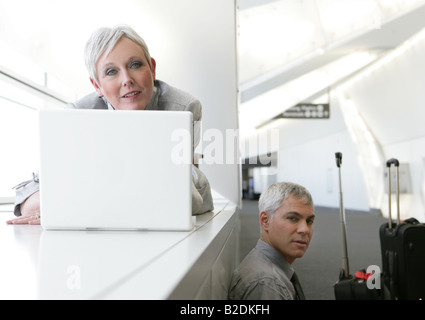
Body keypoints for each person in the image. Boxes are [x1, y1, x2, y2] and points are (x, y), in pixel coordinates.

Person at [7, 25, 213, 225]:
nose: (127, 80)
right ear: (97, 86)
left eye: (135, 65)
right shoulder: (79, 115)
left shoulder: (183, 108)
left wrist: (71, 203)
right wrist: (56, 205)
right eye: (111, 71)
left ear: (152, 68)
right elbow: (27, 194)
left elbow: (173, 195)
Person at [228, 182, 315, 300]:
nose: (304, 229)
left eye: (309, 221)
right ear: (265, 221)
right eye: (292, 218)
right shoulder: (266, 284)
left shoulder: (268, 272)